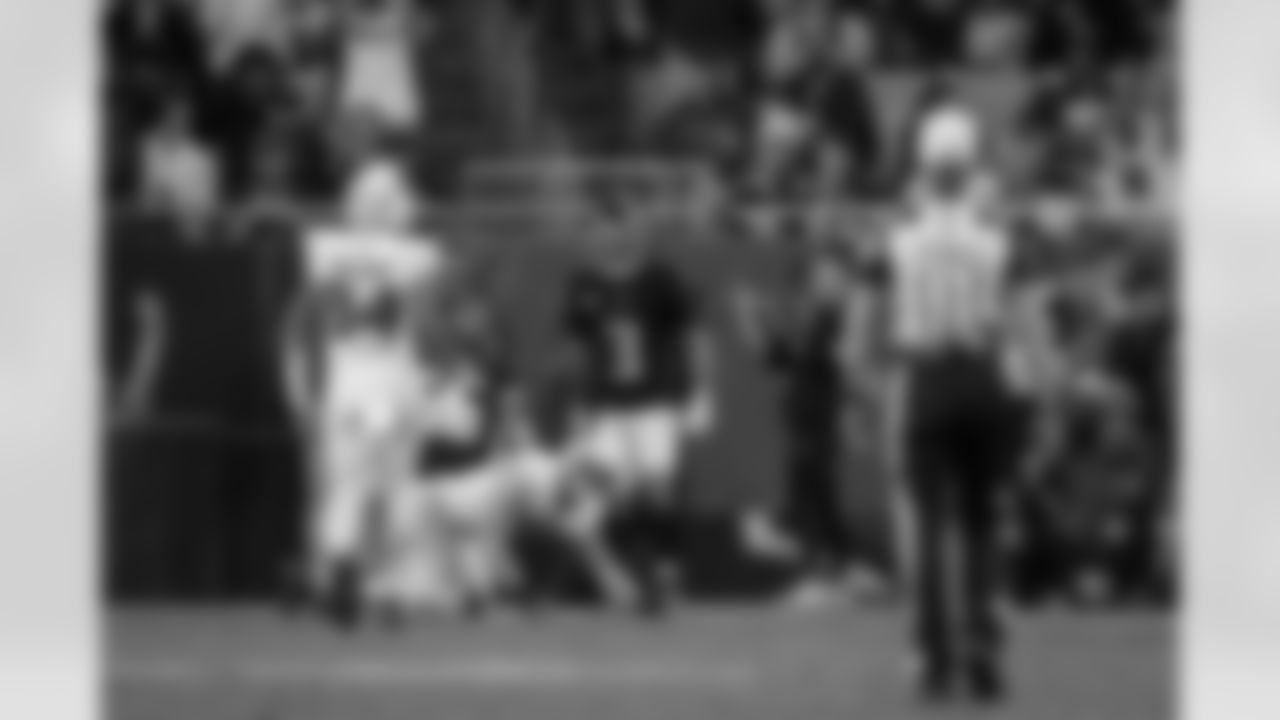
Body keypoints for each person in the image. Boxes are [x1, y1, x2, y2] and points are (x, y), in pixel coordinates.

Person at [871, 101, 1026, 702]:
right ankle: (983, 645)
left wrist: (866, 371)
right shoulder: (995, 227)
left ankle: (933, 660)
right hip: (984, 372)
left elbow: (866, 311)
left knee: (928, 526)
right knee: (985, 522)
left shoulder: (900, 229)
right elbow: (1019, 309)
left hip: (927, 377)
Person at [282, 152, 449, 626]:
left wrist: (301, 391)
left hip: (344, 379)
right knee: (397, 486)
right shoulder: (420, 256)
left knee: (345, 487)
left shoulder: (323, 249)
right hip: (394, 379)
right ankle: (390, 589)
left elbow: (308, 317)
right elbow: (426, 328)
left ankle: (341, 564)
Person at [558, 201, 714, 615]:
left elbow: (694, 333)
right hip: (607, 405)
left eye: (617, 229)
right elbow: (579, 350)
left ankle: (665, 571)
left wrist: (700, 391)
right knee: (606, 496)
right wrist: (577, 405)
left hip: (654, 401)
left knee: (658, 484)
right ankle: (633, 575)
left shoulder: (659, 279)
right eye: (602, 230)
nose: (610, 238)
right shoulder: (584, 284)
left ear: (632, 232)